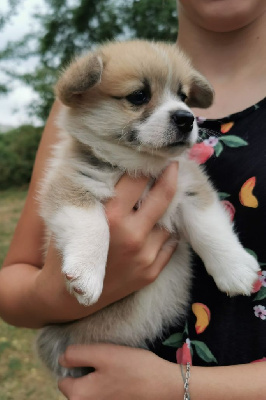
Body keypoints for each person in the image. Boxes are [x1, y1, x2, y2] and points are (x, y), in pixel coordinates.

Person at [1, 0, 266, 398]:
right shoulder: (78, 139)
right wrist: (73, 273)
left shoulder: (176, 168)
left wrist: (222, 253)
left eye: (182, 95)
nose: (182, 113)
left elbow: (195, 199)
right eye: (139, 97)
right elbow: (64, 201)